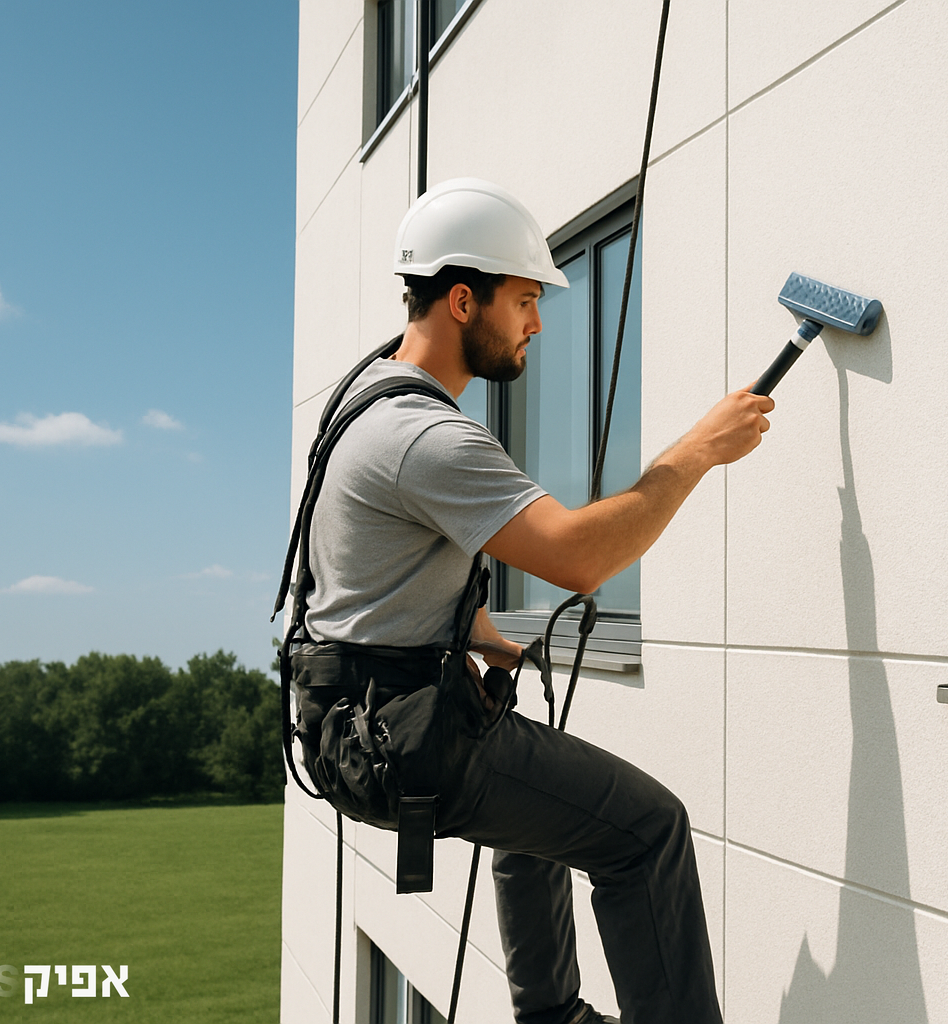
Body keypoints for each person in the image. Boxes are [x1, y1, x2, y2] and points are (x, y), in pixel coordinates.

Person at [292, 178, 774, 1024]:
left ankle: (551, 1016)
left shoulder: (364, 393)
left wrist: (477, 631)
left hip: (351, 721)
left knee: (536, 813)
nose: (539, 324)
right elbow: (582, 559)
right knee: (649, 832)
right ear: (464, 299)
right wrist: (697, 451)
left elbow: (372, 568)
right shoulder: (430, 437)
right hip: (406, 740)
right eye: (524, 301)